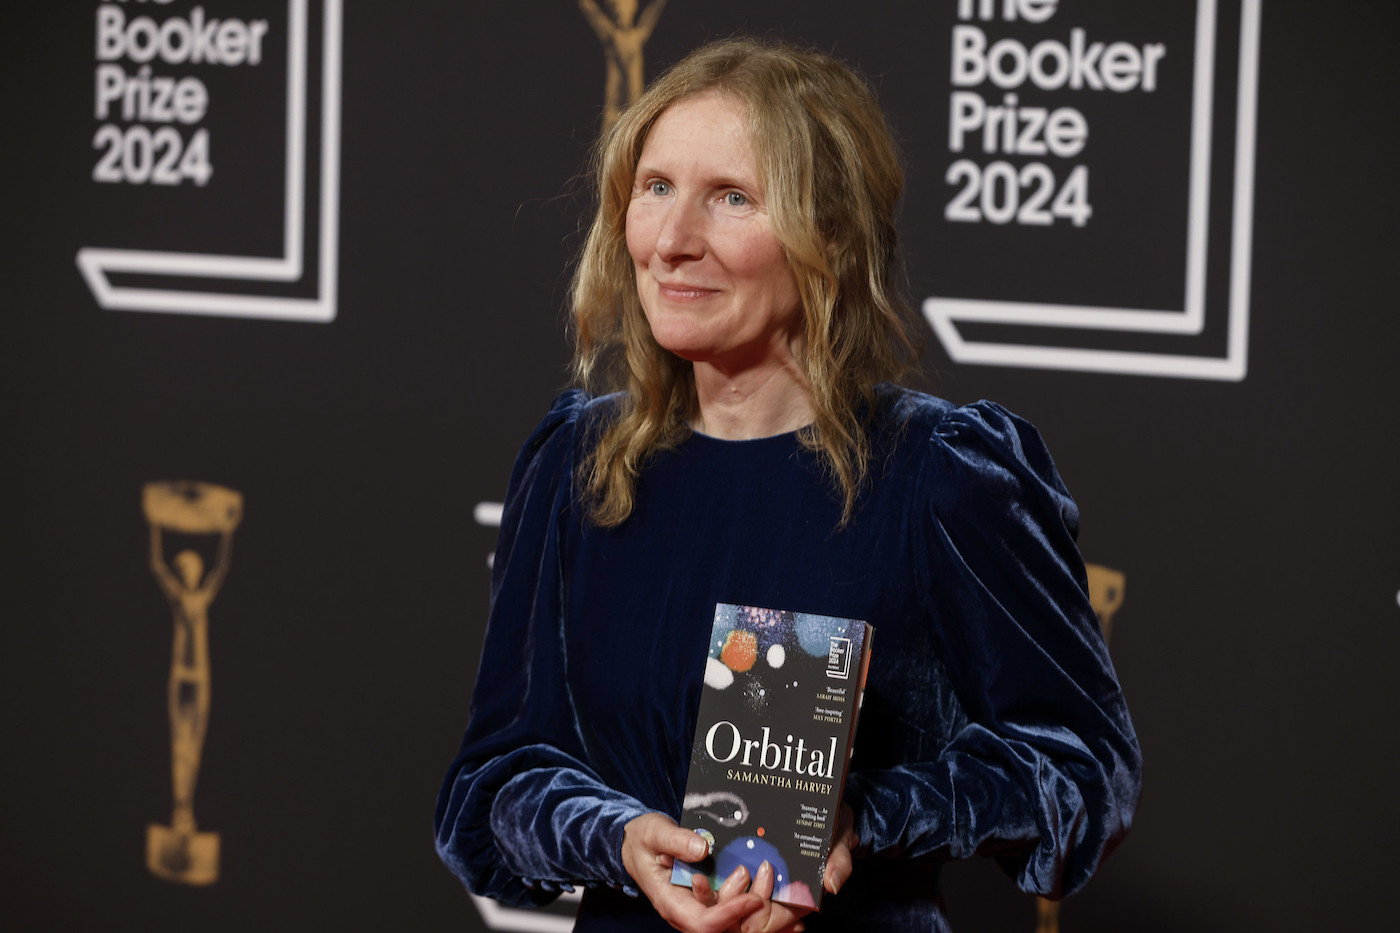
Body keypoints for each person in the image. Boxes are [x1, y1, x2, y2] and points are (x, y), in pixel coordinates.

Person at [435, 37, 1141, 933]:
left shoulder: (944, 473)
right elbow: (489, 788)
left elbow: (1082, 773)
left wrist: (864, 819)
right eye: (655, 189)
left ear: (832, 237)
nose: (673, 241)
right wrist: (617, 836)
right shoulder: (579, 458)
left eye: (730, 198)